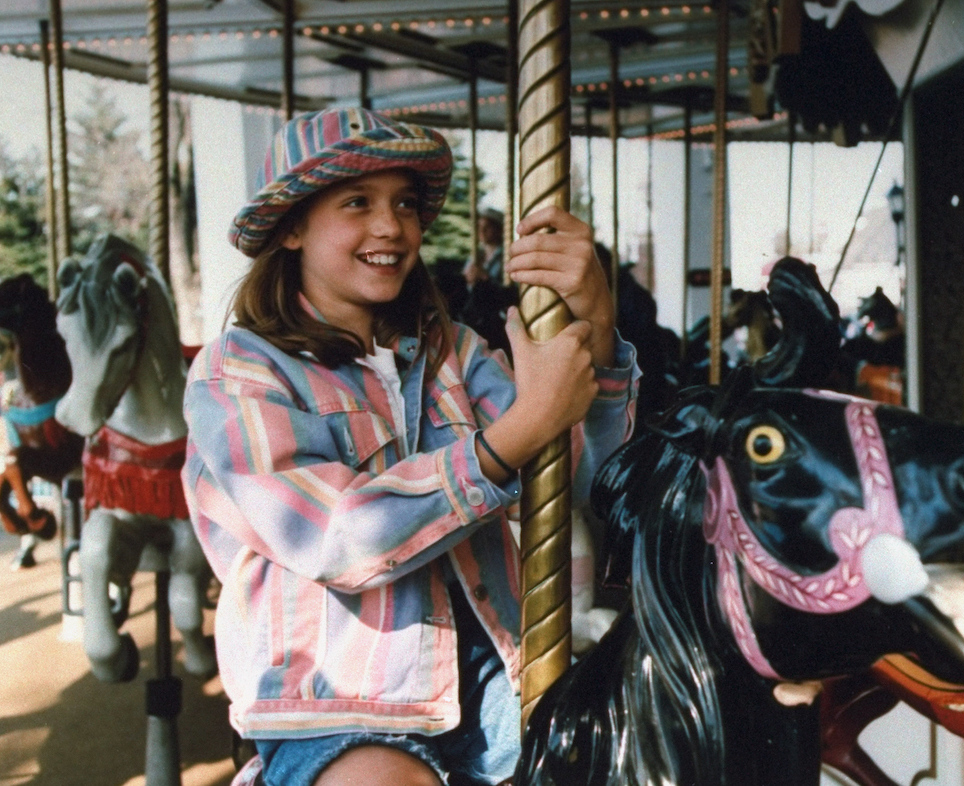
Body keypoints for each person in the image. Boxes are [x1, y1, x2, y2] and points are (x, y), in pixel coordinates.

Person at [182, 107, 638, 786]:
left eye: (404, 204)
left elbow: (576, 477)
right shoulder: (241, 373)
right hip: (339, 701)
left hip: (497, 678)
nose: (391, 227)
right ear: (293, 227)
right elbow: (331, 535)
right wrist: (505, 442)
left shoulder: (453, 351)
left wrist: (596, 328)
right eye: (357, 203)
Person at [464, 207, 505, 287]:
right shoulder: (476, 254)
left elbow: (510, 288)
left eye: (488, 227)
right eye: (480, 226)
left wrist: (485, 278)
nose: (482, 230)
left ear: (498, 230)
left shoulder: (505, 256)